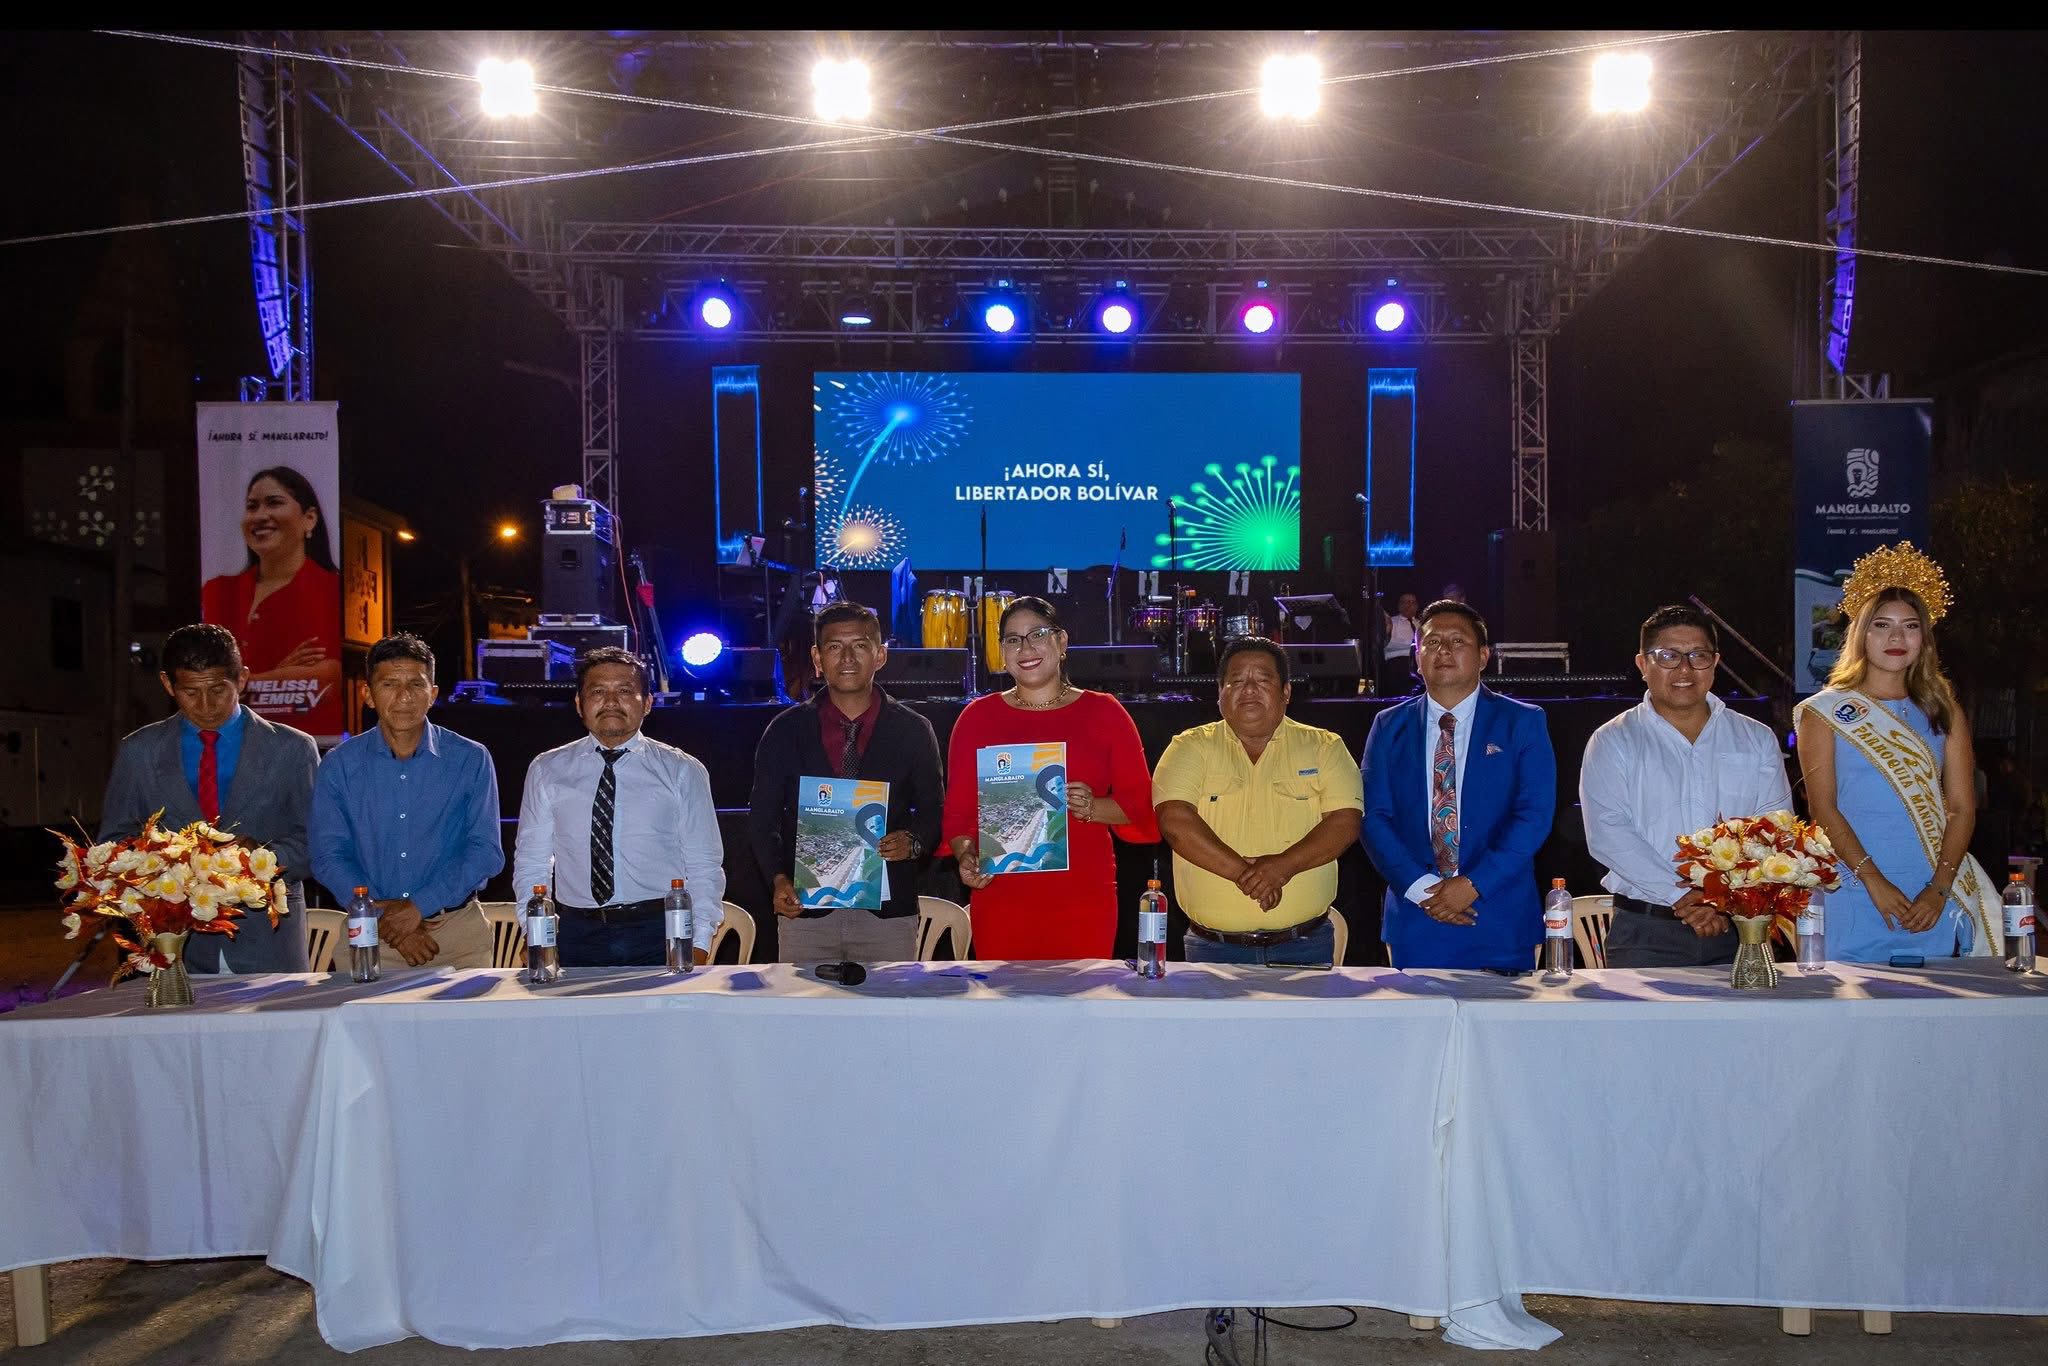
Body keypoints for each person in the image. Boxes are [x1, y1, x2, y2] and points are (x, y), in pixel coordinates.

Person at [1795, 543, 2000, 961]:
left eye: (1910, 626)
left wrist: (1938, 889)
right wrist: (1873, 880)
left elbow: (1962, 808)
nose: (1896, 637)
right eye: (1881, 625)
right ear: (1860, 634)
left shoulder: (1944, 711)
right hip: (1852, 884)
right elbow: (1823, 808)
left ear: (1924, 638)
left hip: (1931, 891)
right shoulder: (1825, 711)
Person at [943, 596, 1157, 959]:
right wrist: (967, 857)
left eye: (1038, 635)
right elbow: (959, 817)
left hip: (1082, 898)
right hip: (1001, 897)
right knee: (1002, 993)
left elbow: (1141, 807)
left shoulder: (1105, 713)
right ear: (1002, 651)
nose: (1025, 648)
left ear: (1061, 641)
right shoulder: (976, 718)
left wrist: (1093, 807)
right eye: (1013, 639)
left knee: (1083, 994)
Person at [1580, 606, 1793, 967]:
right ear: (1642, 664)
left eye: (1698, 656)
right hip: (1647, 932)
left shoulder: (1755, 738)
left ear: (1715, 662)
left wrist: (1721, 899)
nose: (1684, 669)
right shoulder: (1614, 739)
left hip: (1740, 927)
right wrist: (1684, 896)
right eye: (1668, 656)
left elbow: (1775, 827)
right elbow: (1608, 833)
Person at [98, 623, 318, 973]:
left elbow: (318, 842)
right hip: (175, 948)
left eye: (218, 690)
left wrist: (262, 859)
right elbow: (112, 844)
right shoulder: (139, 752)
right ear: (168, 684)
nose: (206, 706)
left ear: (242, 679)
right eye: (190, 692)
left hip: (269, 946)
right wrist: (166, 865)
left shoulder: (292, 749)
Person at [1360, 600, 1555, 970]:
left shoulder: (1523, 722)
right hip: (1419, 915)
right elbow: (1374, 817)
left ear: (1483, 656)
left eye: (1457, 641)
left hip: (1499, 916)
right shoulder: (1388, 726)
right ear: (1417, 657)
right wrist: (1423, 890)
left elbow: (1534, 816)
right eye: (1432, 642)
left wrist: (1474, 884)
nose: (1444, 650)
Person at [748, 603, 944, 963]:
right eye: (835, 647)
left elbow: (935, 810)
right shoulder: (785, 730)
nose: (848, 658)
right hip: (806, 911)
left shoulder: (913, 729)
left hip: (887, 913)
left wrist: (914, 842)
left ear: (880, 655)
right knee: (804, 1002)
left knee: (891, 1001)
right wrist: (778, 879)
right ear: (817, 658)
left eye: (860, 646)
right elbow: (762, 819)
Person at [1154, 637, 1363, 966]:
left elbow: (1345, 823)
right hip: (1212, 949)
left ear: (1286, 692)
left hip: (1304, 945)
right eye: (1236, 681)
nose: (1249, 689)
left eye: (1263, 680)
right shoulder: (1188, 747)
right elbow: (1175, 822)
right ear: (1220, 693)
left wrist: (1281, 868)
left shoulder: (1325, 747)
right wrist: (1248, 874)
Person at [512, 647, 724, 967]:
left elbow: (703, 863)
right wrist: (534, 932)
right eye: (598, 692)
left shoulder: (682, 770)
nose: (611, 702)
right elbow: (532, 860)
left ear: (648, 703)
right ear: (579, 704)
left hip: (660, 931)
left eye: (624, 691)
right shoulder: (547, 769)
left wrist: (698, 942)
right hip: (574, 933)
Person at [310, 632, 503, 969]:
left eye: (416, 684)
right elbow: (328, 855)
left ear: (433, 694)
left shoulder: (470, 758)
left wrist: (417, 908)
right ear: (368, 694)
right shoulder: (339, 764)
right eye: (389, 685)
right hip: (369, 934)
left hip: (458, 938)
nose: (404, 697)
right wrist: (389, 921)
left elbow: (485, 851)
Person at [200, 465, 342, 736]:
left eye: (274, 503)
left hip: (307, 740)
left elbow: (328, 678)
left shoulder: (332, 590)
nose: (260, 516)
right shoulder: (218, 591)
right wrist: (278, 676)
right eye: (252, 506)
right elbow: (205, 678)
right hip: (227, 737)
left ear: (309, 518)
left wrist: (243, 681)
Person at [1378, 591, 1421, 696]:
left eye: (1412, 602)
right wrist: (1411, 647)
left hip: (1418, 664)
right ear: (1399, 605)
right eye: (1406, 602)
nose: (1409, 605)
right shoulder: (1392, 622)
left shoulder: (1422, 624)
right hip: (1397, 665)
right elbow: (1388, 646)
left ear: (1417, 606)